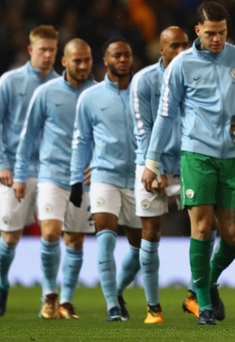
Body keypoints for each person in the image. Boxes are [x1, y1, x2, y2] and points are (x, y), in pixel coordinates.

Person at [141, 1, 235, 325]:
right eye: (210, 33)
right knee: (202, 227)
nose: (217, 39)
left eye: (222, 33)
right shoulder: (182, 65)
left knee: (234, 236)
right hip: (197, 155)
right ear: (197, 30)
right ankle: (204, 306)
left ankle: (205, 285)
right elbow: (167, 114)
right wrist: (151, 161)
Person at [13, 38, 96, 319]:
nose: (83, 66)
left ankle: (66, 302)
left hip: (84, 180)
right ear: (64, 62)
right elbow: (28, 137)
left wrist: (97, 164)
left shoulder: (98, 94)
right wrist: (20, 174)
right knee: (50, 232)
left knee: (75, 240)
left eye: (87, 60)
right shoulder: (46, 93)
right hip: (51, 175)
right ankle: (49, 295)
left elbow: (109, 138)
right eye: (77, 61)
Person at [0, 25, 60, 316]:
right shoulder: (10, 81)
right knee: (10, 238)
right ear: (30, 50)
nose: (48, 55)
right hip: (15, 170)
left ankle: (49, 295)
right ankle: (2, 284)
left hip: (51, 170)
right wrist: (0, 163)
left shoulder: (61, 86)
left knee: (51, 232)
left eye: (53, 49)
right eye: (43, 49)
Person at [70, 37, 143, 322]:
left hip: (139, 178)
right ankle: (112, 305)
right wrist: (77, 180)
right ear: (106, 60)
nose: (123, 59)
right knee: (105, 239)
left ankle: (118, 290)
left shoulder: (143, 91)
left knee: (141, 247)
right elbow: (81, 141)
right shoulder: (90, 97)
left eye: (127, 54)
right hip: (104, 176)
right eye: (117, 55)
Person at [130, 26, 190, 323]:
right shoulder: (143, 80)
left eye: (185, 45)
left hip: (188, 166)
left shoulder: (198, 79)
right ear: (161, 50)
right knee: (150, 233)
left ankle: (195, 296)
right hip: (151, 167)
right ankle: (153, 308)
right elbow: (143, 130)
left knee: (209, 224)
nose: (181, 51)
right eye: (174, 46)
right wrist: (154, 169)